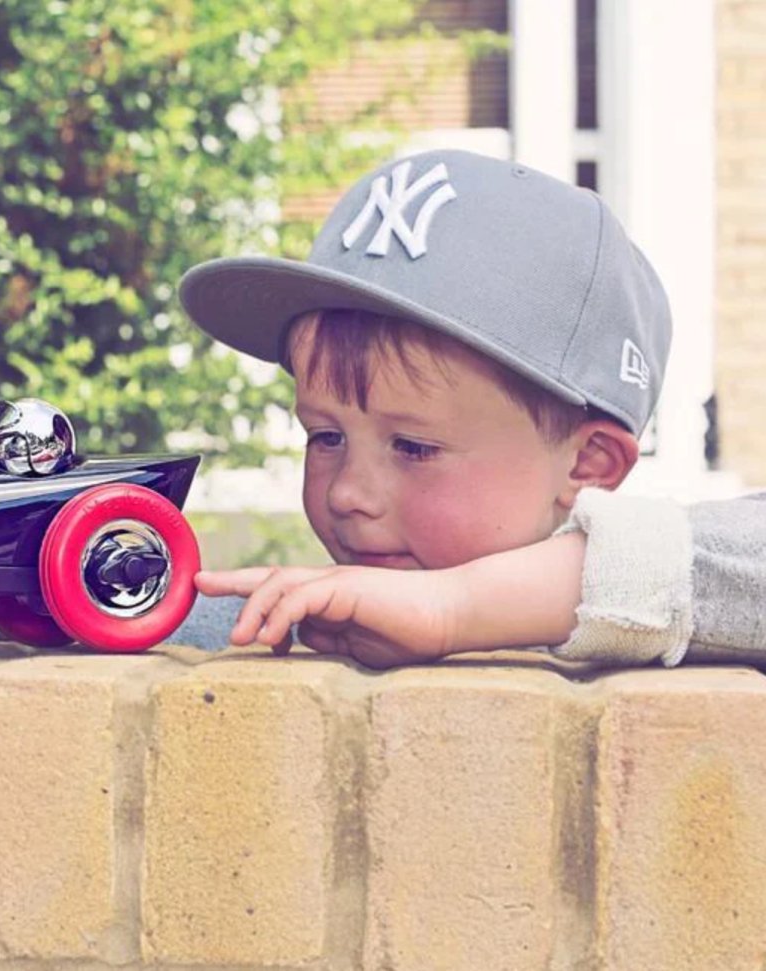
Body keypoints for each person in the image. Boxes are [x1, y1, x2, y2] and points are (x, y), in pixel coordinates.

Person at [169, 148, 766, 668]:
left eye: (413, 447)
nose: (346, 493)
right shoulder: (284, 627)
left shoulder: (682, 626)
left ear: (588, 463)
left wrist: (455, 608)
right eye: (326, 436)